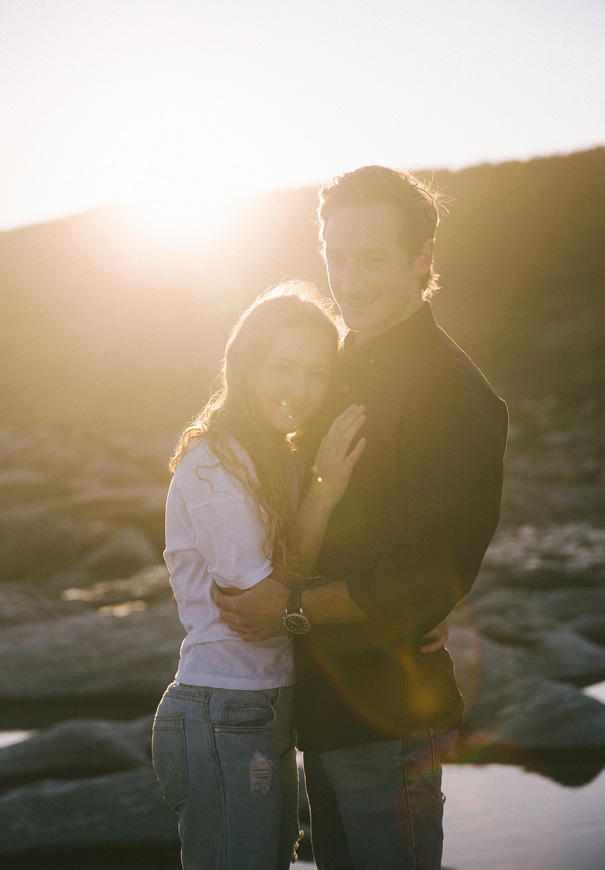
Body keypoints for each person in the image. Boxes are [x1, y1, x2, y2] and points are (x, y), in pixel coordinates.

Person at [214, 166, 509, 869]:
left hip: (389, 722)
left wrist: (288, 610)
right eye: (336, 257)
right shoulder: (339, 363)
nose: (350, 279)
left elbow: (419, 579)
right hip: (323, 709)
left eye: (372, 258)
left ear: (421, 260)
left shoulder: (451, 393)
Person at [151, 281, 370, 870]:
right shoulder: (216, 465)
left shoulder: (275, 454)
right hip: (225, 707)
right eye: (282, 368)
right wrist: (325, 495)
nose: (300, 389)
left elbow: (291, 581)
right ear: (245, 367)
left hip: (262, 708)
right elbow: (262, 603)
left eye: (317, 374)